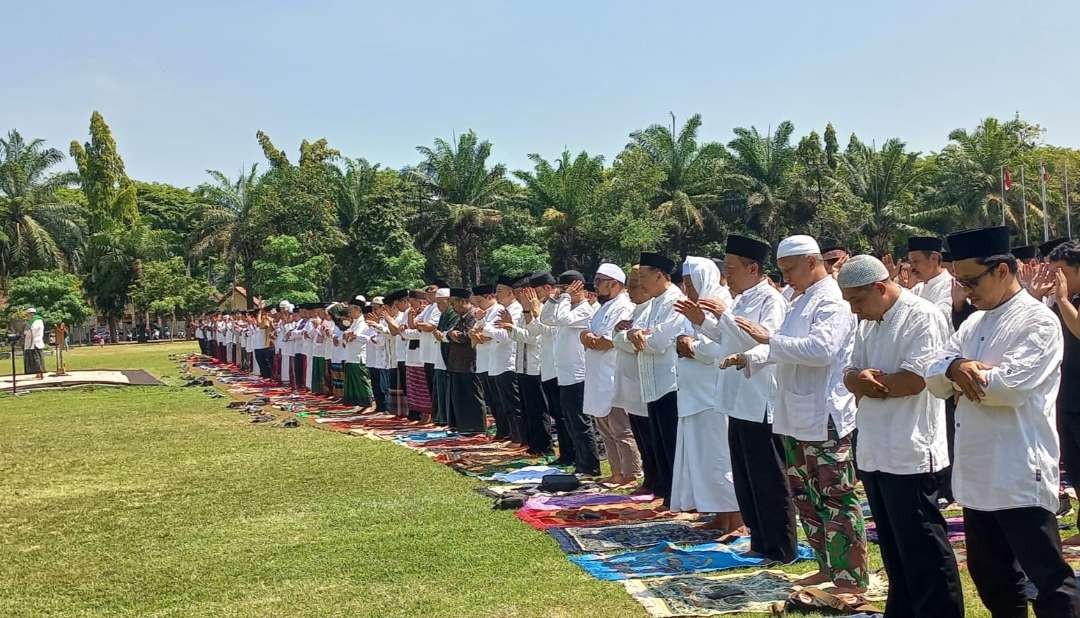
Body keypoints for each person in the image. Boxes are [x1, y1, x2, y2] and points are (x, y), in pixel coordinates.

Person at [925, 226, 1080, 616]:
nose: (966, 290)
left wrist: (962, 376)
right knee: (990, 576)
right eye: (960, 281)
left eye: (971, 280)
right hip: (977, 472)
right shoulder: (974, 323)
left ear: (1002, 271)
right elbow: (932, 376)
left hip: (1017, 468)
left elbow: (1007, 387)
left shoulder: (1037, 321)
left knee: (1047, 579)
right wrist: (959, 367)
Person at [735, 234, 866, 591]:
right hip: (794, 412)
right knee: (806, 496)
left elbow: (821, 350)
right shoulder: (798, 299)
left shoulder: (832, 300)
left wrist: (767, 340)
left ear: (812, 262)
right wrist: (753, 355)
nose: (786, 277)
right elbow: (781, 346)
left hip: (824, 414)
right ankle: (827, 566)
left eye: (790, 269)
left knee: (835, 497)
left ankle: (850, 577)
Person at [838, 255, 964, 617]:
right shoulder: (868, 323)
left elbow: (914, 380)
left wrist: (869, 383)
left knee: (924, 546)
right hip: (876, 447)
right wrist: (860, 381)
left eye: (857, 301)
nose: (854, 310)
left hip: (911, 449)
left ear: (880, 288)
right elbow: (850, 373)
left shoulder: (921, 316)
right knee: (894, 547)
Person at [669, 257, 739, 529]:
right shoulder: (695, 308)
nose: (687, 290)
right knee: (703, 460)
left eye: (690, 284)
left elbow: (721, 347)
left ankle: (737, 520)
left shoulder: (720, 303)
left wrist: (691, 346)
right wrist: (686, 343)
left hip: (714, 395)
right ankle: (719, 515)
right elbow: (682, 339)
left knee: (721, 458)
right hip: (694, 395)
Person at [624, 252, 689, 506]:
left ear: (660, 275)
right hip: (650, 381)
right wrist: (637, 334)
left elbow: (661, 341)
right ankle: (663, 491)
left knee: (672, 444)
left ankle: (676, 495)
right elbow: (632, 331)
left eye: (644, 277)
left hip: (669, 382)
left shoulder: (675, 301)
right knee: (659, 444)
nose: (640, 284)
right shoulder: (653, 303)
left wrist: (642, 336)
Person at [582, 263, 641, 486]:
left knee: (620, 429)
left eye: (599, 282)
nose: (595, 286)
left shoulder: (624, 306)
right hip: (598, 374)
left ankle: (631, 473)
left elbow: (608, 341)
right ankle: (616, 473)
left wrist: (592, 340)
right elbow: (587, 333)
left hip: (614, 374)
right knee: (605, 429)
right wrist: (589, 338)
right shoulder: (602, 307)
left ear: (614, 283)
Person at [1044, 240, 1080, 544]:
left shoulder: (1068, 299)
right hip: (1067, 394)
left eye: (1062, 272)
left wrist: (1063, 299)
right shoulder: (1059, 299)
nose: (1057, 279)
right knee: (1074, 462)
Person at [612, 266, 659, 495]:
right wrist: (623, 334)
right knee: (640, 434)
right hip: (630, 381)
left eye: (634, 286)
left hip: (647, 382)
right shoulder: (634, 310)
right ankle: (650, 481)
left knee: (652, 439)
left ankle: (657, 482)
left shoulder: (652, 308)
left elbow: (640, 342)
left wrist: (626, 336)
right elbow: (618, 337)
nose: (630, 291)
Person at [550, 271, 600, 476]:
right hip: (564, 372)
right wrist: (556, 299)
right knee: (570, 420)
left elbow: (562, 319)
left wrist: (565, 298)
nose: (564, 293)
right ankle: (580, 462)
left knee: (580, 422)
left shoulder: (584, 310)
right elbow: (548, 318)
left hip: (578, 373)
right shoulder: (566, 305)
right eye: (562, 289)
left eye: (568, 289)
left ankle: (590, 465)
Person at [524, 271, 576, 465]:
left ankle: (571, 454)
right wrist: (529, 312)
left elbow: (552, 330)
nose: (534, 296)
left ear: (548, 287)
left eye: (536, 291)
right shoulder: (547, 305)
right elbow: (534, 331)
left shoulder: (558, 304)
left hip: (559, 366)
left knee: (564, 416)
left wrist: (536, 313)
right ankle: (565, 453)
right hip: (547, 365)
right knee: (557, 413)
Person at [499, 276, 554, 454]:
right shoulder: (525, 311)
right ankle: (532, 443)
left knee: (539, 409)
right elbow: (522, 335)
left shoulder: (539, 309)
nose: (519, 297)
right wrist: (512, 326)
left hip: (535, 365)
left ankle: (543, 445)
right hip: (522, 366)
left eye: (521, 293)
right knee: (528, 408)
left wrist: (511, 327)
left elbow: (532, 337)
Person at [443, 288, 486, 434]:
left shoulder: (474, 316)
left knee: (472, 396)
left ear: (463, 302)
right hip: (456, 363)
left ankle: (476, 427)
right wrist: (451, 334)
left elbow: (471, 335)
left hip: (470, 362)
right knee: (458, 396)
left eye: (454, 303)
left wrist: (458, 335)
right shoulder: (458, 318)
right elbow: (449, 333)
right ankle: (462, 426)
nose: (452, 307)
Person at [486, 276, 524, 443]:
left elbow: (506, 336)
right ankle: (508, 434)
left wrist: (485, 328)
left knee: (513, 405)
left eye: (500, 291)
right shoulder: (501, 310)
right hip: (498, 361)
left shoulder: (515, 309)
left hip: (508, 362)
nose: (496, 294)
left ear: (510, 293)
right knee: (502, 403)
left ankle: (518, 437)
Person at [342, 298, 375, 409]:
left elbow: (367, 338)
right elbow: (348, 335)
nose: (349, 313)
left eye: (351, 310)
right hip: (351, 355)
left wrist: (354, 335)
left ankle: (368, 404)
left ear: (357, 309)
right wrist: (347, 336)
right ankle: (358, 403)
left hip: (359, 356)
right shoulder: (354, 323)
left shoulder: (364, 323)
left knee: (362, 381)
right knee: (353, 381)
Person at [22, 308, 46, 379]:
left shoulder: (37, 321)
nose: (27, 316)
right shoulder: (31, 321)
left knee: (37, 359)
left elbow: (32, 330)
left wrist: (26, 331)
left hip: (35, 342)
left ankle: (40, 374)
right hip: (32, 343)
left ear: (31, 314)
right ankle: (38, 374)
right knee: (35, 359)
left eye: (28, 314)